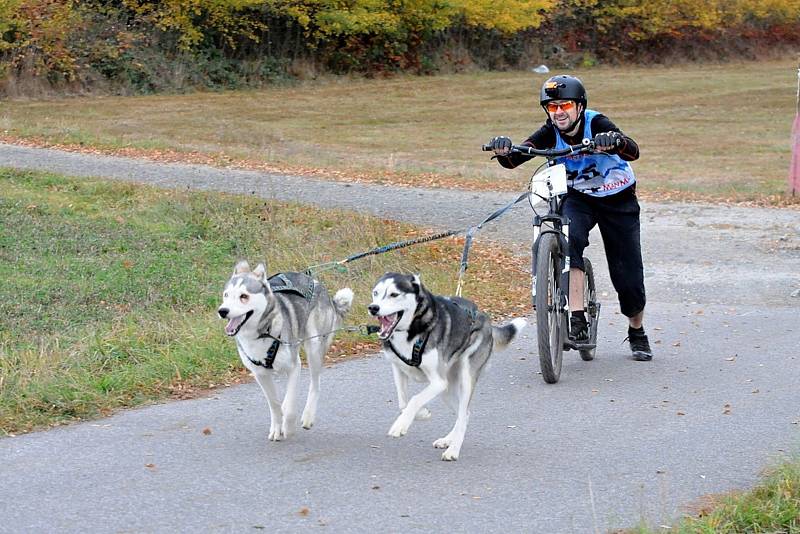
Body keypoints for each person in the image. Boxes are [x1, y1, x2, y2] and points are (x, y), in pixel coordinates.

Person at [487, 74, 653, 361]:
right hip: (578, 199)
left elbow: (633, 150)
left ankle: (636, 329)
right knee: (569, 239)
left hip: (618, 198)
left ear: (579, 106)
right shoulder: (550, 131)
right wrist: (505, 150)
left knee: (627, 276)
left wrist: (614, 142)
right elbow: (517, 157)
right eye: (552, 108)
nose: (559, 112)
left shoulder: (597, 122)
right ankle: (576, 319)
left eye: (565, 105)